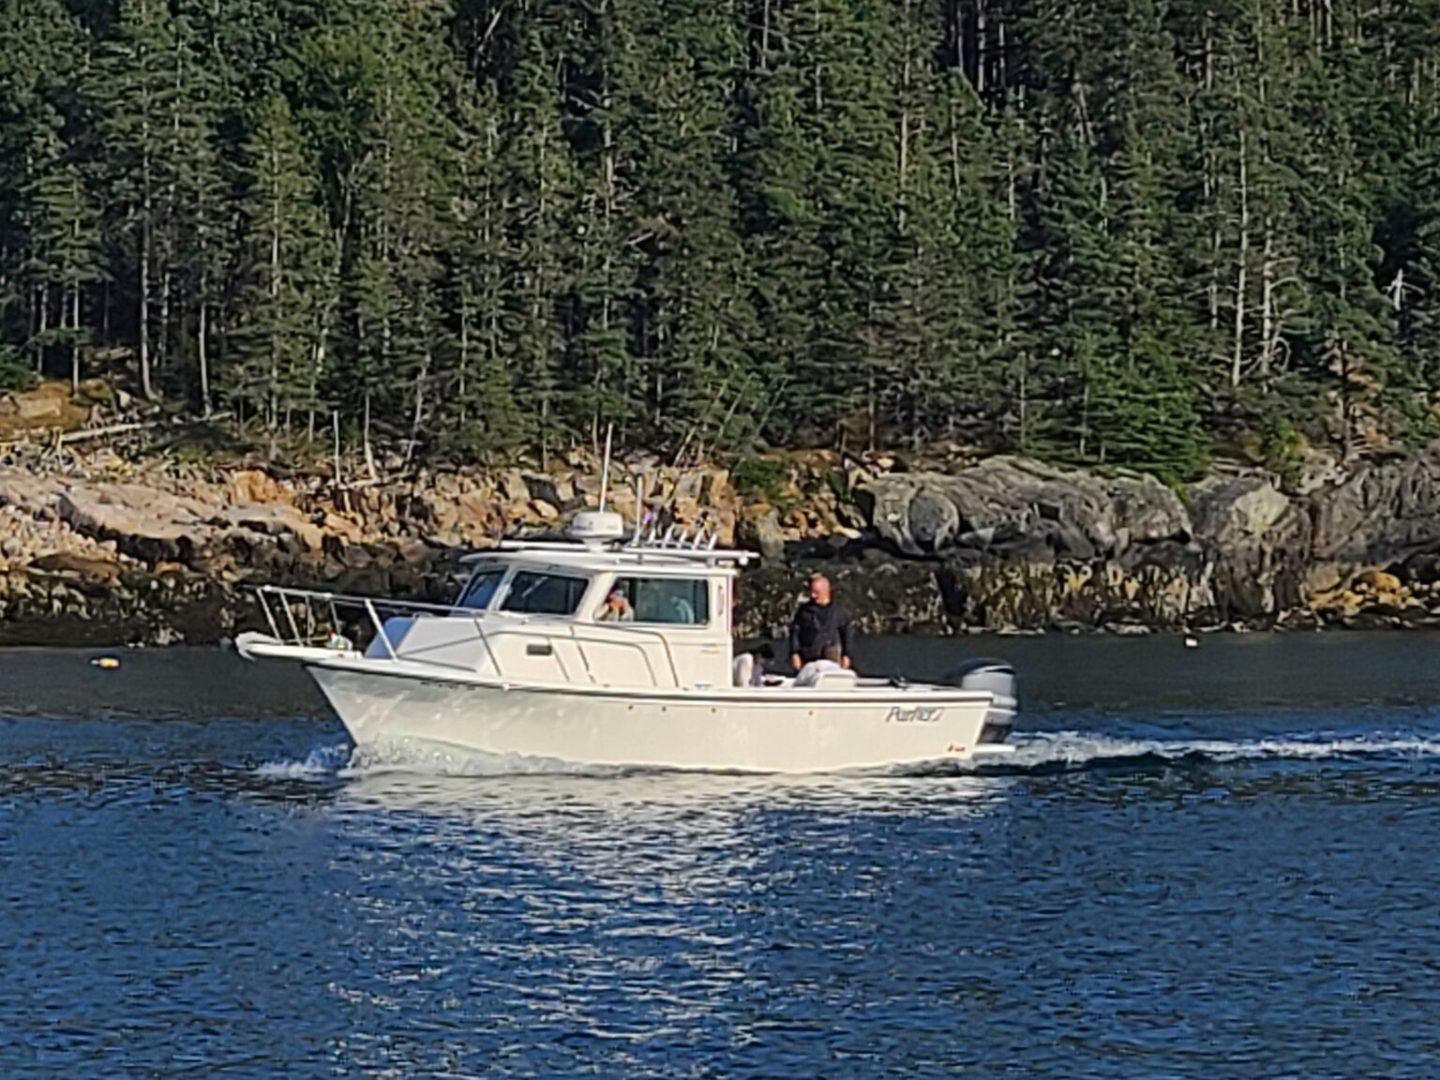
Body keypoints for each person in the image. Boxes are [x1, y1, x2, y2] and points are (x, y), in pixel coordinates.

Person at [788, 573, 854, 672]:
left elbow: (847, 635)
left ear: (826, 591)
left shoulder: (840, 612)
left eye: (816, 592)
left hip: (832, 659)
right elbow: (795, 633)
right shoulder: (803, 612)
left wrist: (847, 655)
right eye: (811, 592)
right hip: (808, 659)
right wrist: (794, 653)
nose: (813, 595)